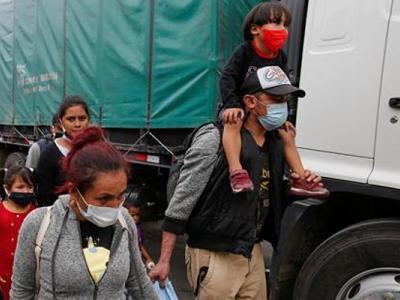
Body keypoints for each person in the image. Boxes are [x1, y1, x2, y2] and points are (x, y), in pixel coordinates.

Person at [150, 66, 325, 299]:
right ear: (250, 102)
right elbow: (183, 199)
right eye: (275, 98)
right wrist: (164, 261)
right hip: (215, 254)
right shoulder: (213, 138)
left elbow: (260, 194)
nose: (283, 105)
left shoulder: (276, 143)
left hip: (252, 251)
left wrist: (293, 187)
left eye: (285, 99)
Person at [11, 126, 156, 299]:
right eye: (104, 198)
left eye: (120, 196)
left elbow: (139, 284)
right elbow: (21, 293)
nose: (115, 206)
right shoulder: (39, 223)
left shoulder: (124, 221)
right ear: (74, 192)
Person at [219, 1, 328, 197]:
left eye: (285, 25)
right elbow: (227, 78)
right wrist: (231, 105)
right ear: (255, 29)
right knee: (233, 122)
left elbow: (282, 87)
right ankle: (236, 172)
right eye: (276, 23)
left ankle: (301, 177)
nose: (283, 30)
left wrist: (284, 118)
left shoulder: (281, 57)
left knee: (286, 133)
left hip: (263, 107)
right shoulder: (244, 51)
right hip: (238, 105)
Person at [36, 95, 90, 206]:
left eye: (82, 118)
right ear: (61, 121)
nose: (77, 124)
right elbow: (44, 198)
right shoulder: (49, 154)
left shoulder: (97, 151)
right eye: (71, 119)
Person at [0, 166, 36, 300]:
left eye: (29, 187)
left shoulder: (37, 213)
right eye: (20, 187)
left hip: (27, 280)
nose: (26, 191)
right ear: (7, 189)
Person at [124, 197, 155, 271]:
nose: (135, 218)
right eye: (132, 215)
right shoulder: (123, 230)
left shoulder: (138, 229)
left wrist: (148, 259)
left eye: (137, 215)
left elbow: (140, 245)